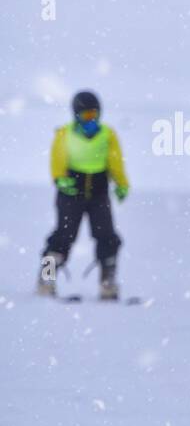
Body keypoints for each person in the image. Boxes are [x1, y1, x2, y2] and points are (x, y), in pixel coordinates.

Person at [37, 91, 130, 300]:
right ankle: (46, 279)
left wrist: (121, 183)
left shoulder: (108, 134)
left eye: (95, 114)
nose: (92, 120)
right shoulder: (65, 133)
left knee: (107, 237)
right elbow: (57, 159)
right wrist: (60, 179)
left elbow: (115, 161)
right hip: (71, 194)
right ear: (76, 115)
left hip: (98, 194)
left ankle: (108, 282)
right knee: (62, 237)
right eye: (87, 115)